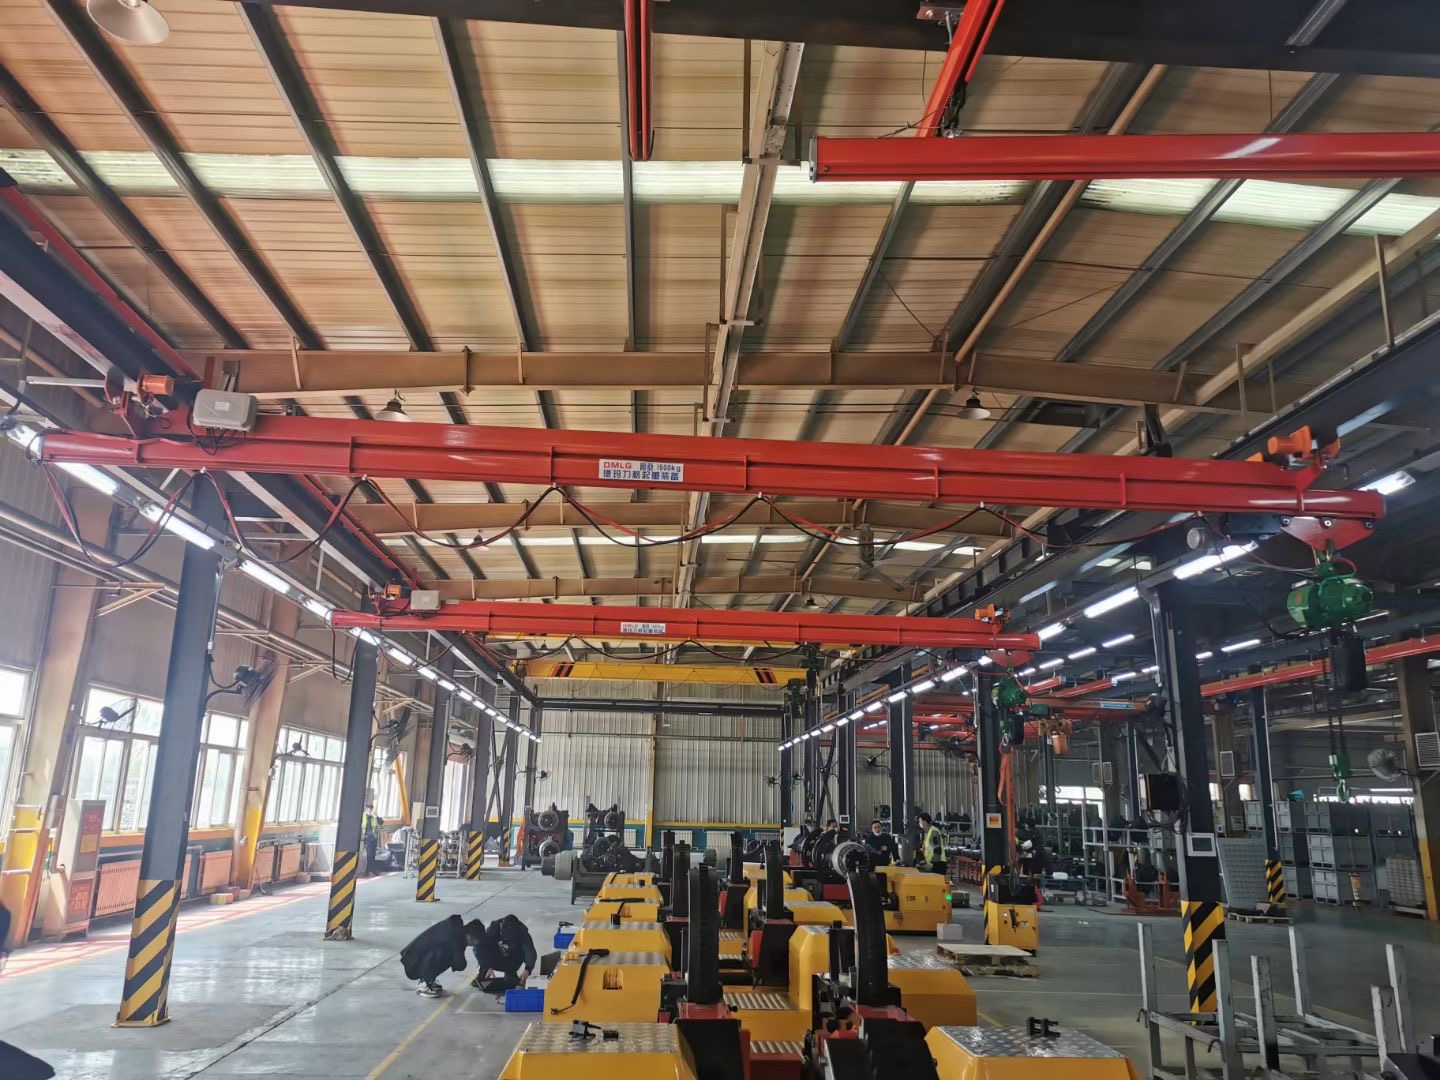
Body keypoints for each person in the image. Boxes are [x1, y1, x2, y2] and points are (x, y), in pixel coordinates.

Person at [400, 913, 481, 997]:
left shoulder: (457, 931)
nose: (471, 945)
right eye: (472, 943)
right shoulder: (454, 936)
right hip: (413, 963)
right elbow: (460, 964)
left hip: (417, 959)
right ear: (468, 936)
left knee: (449, 953)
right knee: (446, 952)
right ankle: (424, 984)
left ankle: (428, 980)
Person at [468, 914, 538, 992]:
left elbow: (530, 954)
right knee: (482, 949)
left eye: (508, 938)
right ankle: (482, 973)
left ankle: (511, 974)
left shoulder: (522, 933)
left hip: (514, 955)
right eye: (504, 936)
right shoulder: (494, 928)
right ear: (501, 927)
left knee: (512, 980)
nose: (506, 939)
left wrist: (527, 970)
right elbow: (479, 946)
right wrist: (486, 965)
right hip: (497, 952)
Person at [916, 812, 947, 878]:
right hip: (933, 864)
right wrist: (925, 861)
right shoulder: (927, 833)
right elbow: (928, 849)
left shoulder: (933, 832)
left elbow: (937, 850)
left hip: (938, 864)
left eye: (920, 821)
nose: (919, 823)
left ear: (924, 822)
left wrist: (932, 864)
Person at [362, 802, 385, 877]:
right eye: (368, 808)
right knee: (369, 855)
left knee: (372, 855)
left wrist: (376, 816)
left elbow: (381, 822)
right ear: (366, 808)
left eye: (371, 808)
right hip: (367, 838)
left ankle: (370, 870)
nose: (369, 810)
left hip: (374, 838)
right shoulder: (363, 816)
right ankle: (369, 871)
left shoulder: (374, 817)